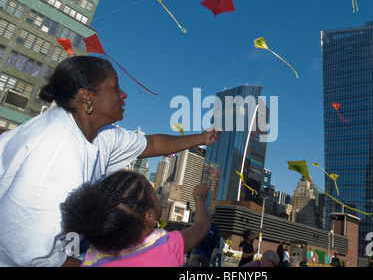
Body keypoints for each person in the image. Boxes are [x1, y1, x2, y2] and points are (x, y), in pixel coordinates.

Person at [0, 56, 220, 267]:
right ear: (87, 96)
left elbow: (152, 144)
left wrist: (202, 138)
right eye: (115, 87)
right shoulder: (56, 155)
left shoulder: (101, 134)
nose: (123, 94)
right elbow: (28, 255)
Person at [60, 170, 210, 266]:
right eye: (153, 193)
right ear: (150, 217)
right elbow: (202, 224)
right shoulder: (165, 244)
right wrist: (199, 197)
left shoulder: (92, 257)